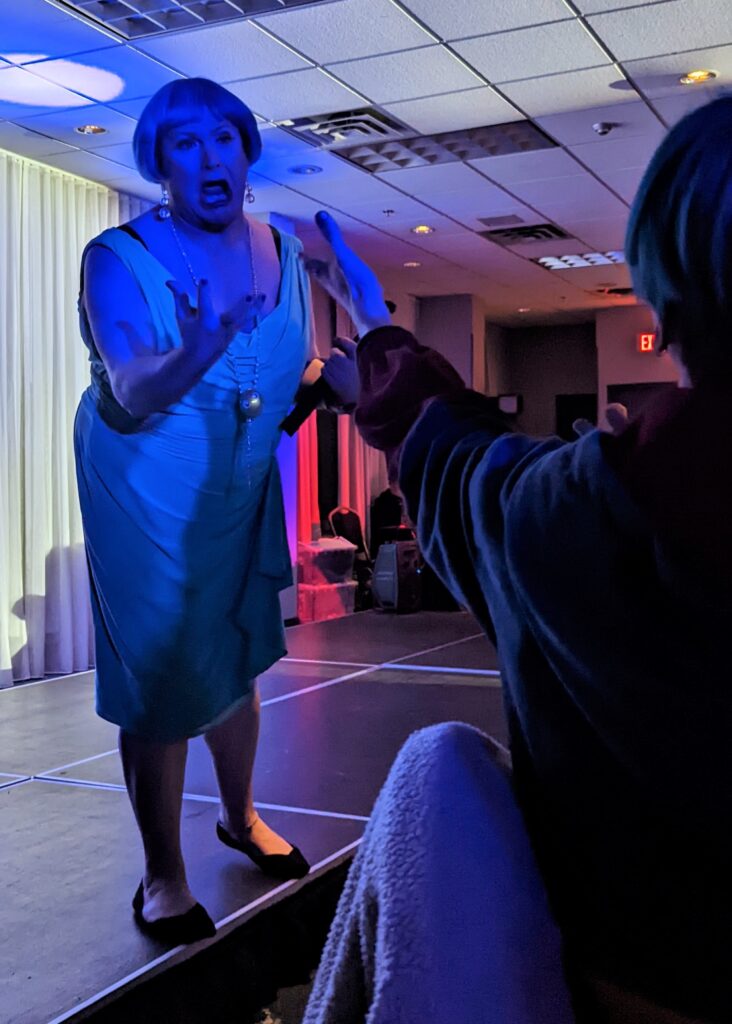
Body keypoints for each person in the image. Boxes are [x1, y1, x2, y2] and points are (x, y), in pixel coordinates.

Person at [301, 95, 732, 1023]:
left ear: (669, 285)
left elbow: (446, 453)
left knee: (440, 771)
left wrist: (375, 327)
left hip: (641, 995)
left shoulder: (580, 512)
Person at [74, 78, 359, 944]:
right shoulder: (116, 256)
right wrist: (193, 349)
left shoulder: (286, 255)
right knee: (160, 673)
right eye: (185, 144)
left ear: (246, 152)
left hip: (235, 480)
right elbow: (132, 382)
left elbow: (299, 373)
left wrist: (358, 370)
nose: (209, 158)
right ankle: (163, 872)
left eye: (224, 139)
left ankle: (238, 817)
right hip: (145, 485)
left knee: (235, 654)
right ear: (160, 164)